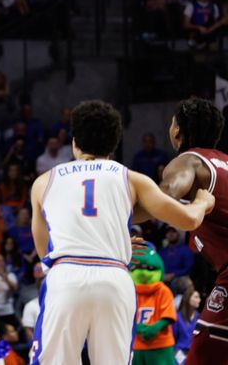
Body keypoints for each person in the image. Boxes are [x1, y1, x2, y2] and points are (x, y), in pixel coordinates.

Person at [29, 100, 215, 364]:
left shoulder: (43, 182)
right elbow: (188, 220)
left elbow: (42, 248)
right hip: (113, 279)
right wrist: (202, 202)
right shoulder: (131, 178)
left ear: (74, 143)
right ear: (115, 144)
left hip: (65, 276)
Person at [132, 97, 228, 364]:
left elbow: (164, 198)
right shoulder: (224, 165)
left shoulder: (189, 161)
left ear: (177, 131)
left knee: (201, 356)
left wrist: (116, 214)